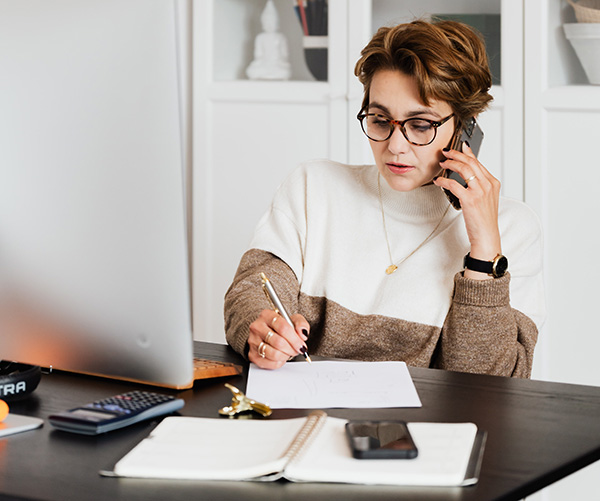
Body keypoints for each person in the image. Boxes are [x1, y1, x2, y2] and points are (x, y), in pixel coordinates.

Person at [225, 19, 545, 378]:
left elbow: (488, 385)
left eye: (420, 125)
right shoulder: (313, 187)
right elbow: (251, 293)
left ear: (466, 127)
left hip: (426, 432)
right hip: (304, 418)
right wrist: (262, 328)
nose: (395, 146)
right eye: (380, 120)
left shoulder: (512, 229)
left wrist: (484, 254)